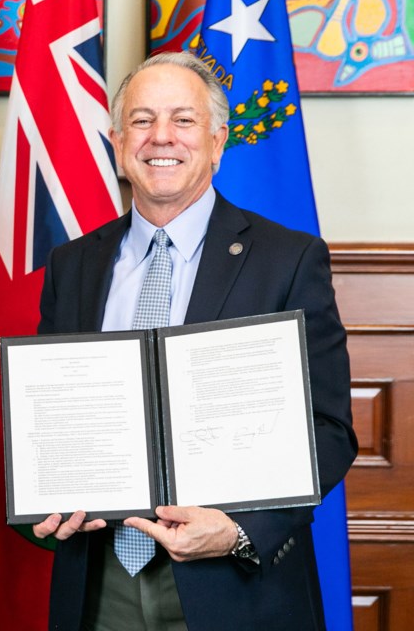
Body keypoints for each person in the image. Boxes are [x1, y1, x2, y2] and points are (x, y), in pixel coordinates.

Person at [32, 52, 357, 630]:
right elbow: (48, 418)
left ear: (215, 140)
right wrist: (44, 502)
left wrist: (238, 531)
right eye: (142, 120)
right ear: (116, 139)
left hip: (235, 585)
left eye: (183, 120)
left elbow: (328, 428)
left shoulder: (288, 260)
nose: (161, 137)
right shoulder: (71, 265)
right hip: (100, 579)